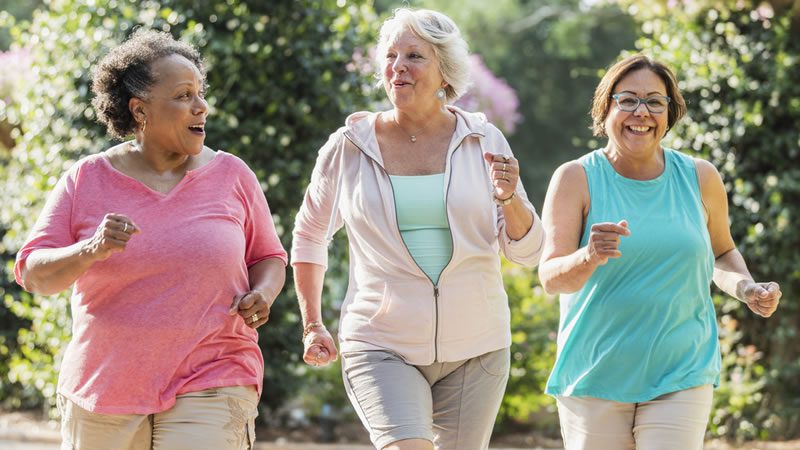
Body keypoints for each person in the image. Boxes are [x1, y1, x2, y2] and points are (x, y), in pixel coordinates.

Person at [14, 29, 287, 450]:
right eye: (183, 96)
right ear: (140, 110)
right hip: (106, 386)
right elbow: (35, 274)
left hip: (215, 371)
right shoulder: (87, 179)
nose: (201, 106)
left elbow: (268, 256)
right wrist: (90, 250)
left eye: (200, 93)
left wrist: (263, 293)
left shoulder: (232, 175)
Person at [291, 8, 544, 450]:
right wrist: (313, 324)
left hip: (477, 347)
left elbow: (527, 252)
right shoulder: (348, 147)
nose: (398, 67)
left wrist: (509, 198)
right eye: (390, 56)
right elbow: (310, 234)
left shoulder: (483, 140)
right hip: (380, 343)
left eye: (414, 56)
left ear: (445, 71)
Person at [538, 54, 782, 450]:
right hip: (595, 374)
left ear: (670, 113)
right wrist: (589, 255)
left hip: (681, 371)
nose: (642, 112)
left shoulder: (700, 177)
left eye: (655, 101)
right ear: (606, 108)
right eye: (628, 100)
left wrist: (746, 288)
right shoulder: (575, 178)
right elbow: (550, 278)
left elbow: (721, 253)